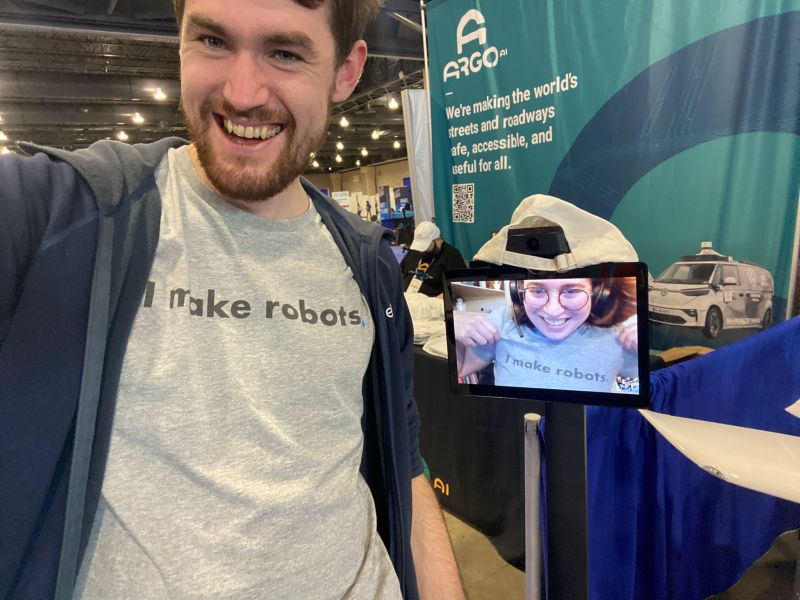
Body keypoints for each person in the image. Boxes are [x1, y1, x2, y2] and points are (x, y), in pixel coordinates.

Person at [0, 1, 464, 599]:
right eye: (214, 41)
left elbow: (404, 461)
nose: (242, 93)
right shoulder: (60, 217)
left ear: (346, 72)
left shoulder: (368, 263)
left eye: (285, 52)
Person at [455, 277, 638, 392]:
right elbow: (460, 368)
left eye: (571, 291)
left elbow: (643, 385)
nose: (553, 311)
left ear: (599, 293)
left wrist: (640, 344)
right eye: (537, 290)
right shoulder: (505, 321)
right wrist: (452, 328)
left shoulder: (617, 334)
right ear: (518, 292)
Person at [400, 221, 467, 297]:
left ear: (437, 240)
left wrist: (441, 298)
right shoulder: (415, 252)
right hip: (406, 298)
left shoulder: (451, 255)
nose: (421, 250)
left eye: (425, 246)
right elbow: (400, 274)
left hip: (431, 302)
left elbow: (458, 286)